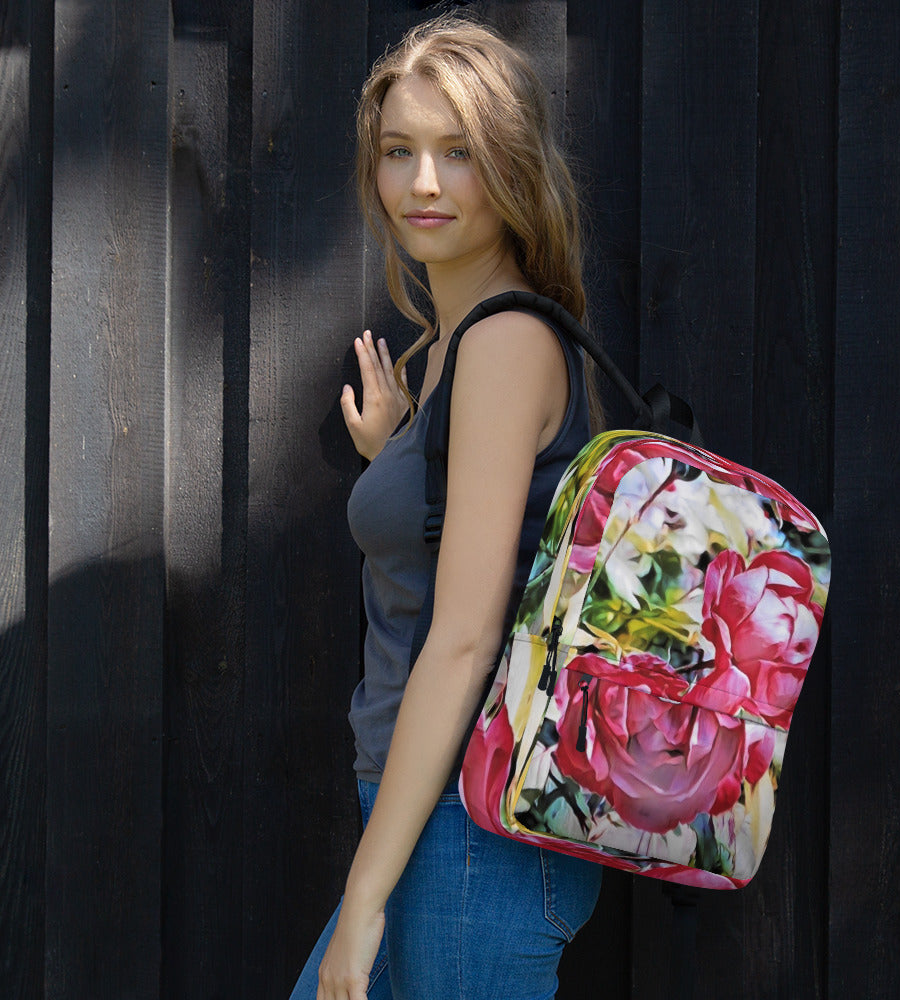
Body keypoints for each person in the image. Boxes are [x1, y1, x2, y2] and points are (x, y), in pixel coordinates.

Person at [290, 15, 602, 1000]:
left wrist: (365, 896)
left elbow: (465, 640)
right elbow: (459, 550)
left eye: (457, 152)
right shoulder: (450, 350)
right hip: (430, 818)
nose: (422, 182)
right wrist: (399, 457)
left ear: (511, 166)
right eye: (399, 152)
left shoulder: (504, 346)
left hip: (471, 832)